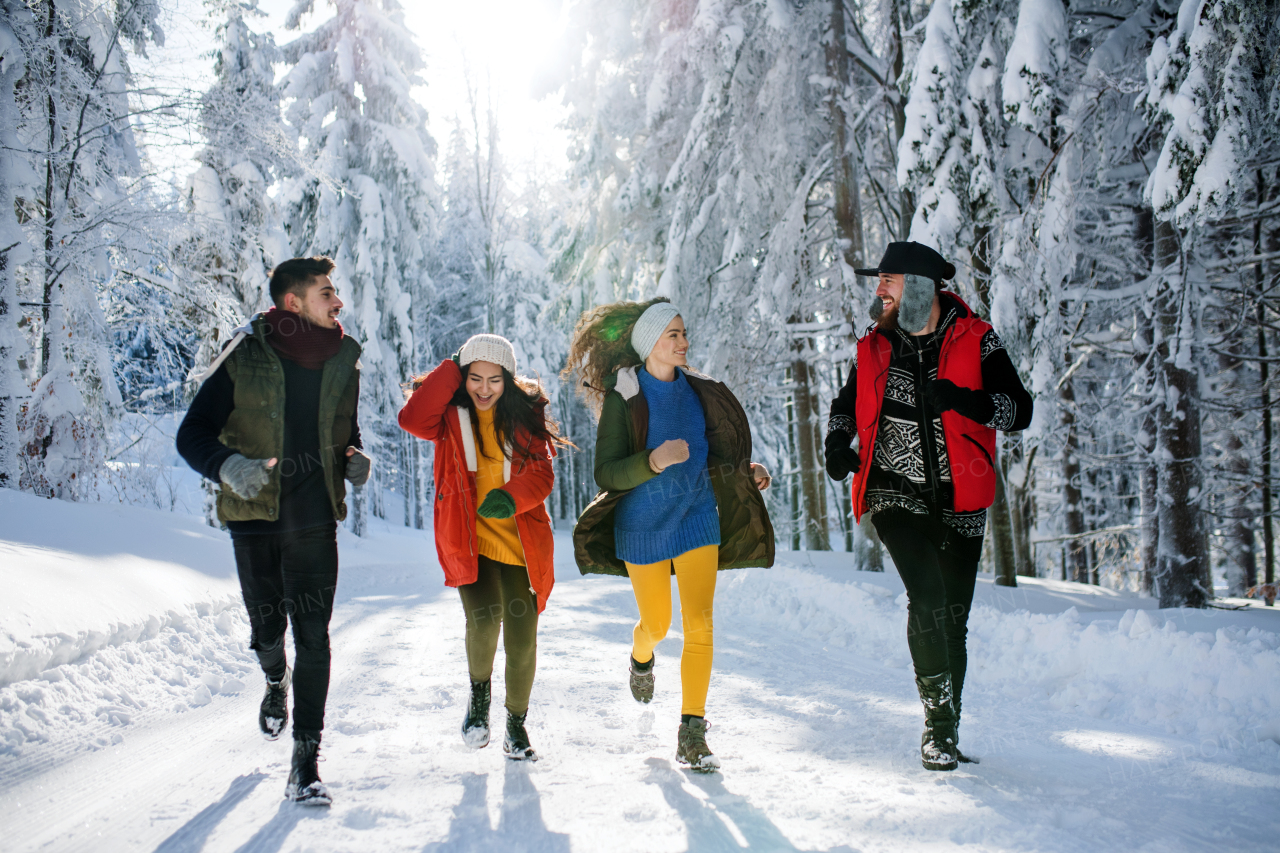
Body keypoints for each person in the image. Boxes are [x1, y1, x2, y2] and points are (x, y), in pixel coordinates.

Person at [824, 241, 1032, 771]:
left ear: (919, 285)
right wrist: (836, 443)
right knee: (929, 595)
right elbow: (845, 406)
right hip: (894, 491)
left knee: (953, 619)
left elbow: (1019, 410)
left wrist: (963, 399)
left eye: (888, 280)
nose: (879, 290)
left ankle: (949, 728)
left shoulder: (978, 340)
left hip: (963, 496)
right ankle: (935, 728)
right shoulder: (873, 345)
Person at [177, 256, 370, 805]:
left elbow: (345, 432)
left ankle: (305, 765)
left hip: (313, 521)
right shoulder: (246, 354)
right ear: (293, 303)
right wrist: (225, 465)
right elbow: (191, 434)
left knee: (315, 638)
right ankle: (271, 679)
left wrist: (354, 458)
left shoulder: (343, 361)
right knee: (268, 630)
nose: (338, 302)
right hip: (255, 521)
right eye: (327, 293)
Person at [563, 298, 774, 772]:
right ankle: (642, 658)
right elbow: (606, 472)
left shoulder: (699, 392)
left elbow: (710, 452)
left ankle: (692, 732)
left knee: (700, 625)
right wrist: (654, 460)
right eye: (673, 335)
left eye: (683, 333)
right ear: (650, 343)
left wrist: (745, 472)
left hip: (698, 517)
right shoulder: (627, 397)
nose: (683, 342)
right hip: (643, 525)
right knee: (657, 624)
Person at [398, 334, 567, 761]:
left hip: (519, 546)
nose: (485, 389)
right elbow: (412, 419)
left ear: (508, 381)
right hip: (469, 543)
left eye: (495, 379)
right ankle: (478, 699)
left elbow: (542, 475)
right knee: (485, 621)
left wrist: (512, 496)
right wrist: (452, 366)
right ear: (463, 376)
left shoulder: (523, 418)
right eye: (475, 378)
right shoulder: (448, 418)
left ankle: (515, 725)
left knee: (523, 640)